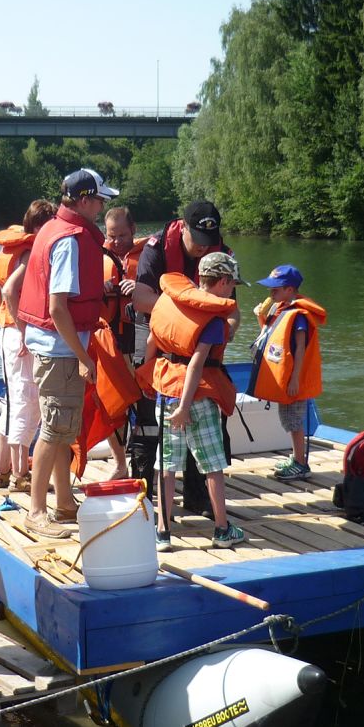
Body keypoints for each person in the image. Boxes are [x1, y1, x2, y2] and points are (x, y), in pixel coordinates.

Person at [15, 168, 117, 539]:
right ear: (85, 200)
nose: (102, 206)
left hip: (53, 348)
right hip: (59, 351)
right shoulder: (69, 240)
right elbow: (58, 308)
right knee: (54, 429)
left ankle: (64, 502)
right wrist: (84, 357)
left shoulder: (53, 228)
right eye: (100, 199)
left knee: (61, 428)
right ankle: (36, 511)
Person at [131, 200, 239, 515]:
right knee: (150, 423)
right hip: (161, 340)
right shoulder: (156, 248)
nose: (203, 248)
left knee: (208, 420)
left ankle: (197, 495)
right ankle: (143, 495)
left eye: (209, 241)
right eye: (198, 240)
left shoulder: (221, 257)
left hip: (202, 347)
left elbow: (233, 311)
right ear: (183, 227)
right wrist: (187, 315)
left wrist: (225, 330)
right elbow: (140, 298)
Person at [144, 252, 245, 552]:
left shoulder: (171, 302)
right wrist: (185, 407)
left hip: (166, 390)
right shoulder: (212, 318)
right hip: (195, 397)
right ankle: (222, 529)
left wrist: (148, 380)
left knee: (166, 464)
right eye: (232, 285)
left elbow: (151, 342)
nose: (232, 291)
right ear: (223, 281)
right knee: (212, 465)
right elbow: (196, 365)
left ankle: (163, 531)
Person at [0, 199, 56, 491]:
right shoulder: (29, 251)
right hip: (20, 335)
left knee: (15, 403)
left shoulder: (12, 249)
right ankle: (20, 475)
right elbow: (10, 289)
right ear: (41, 227)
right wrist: (23, 331)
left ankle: (0, 471)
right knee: (28, 404)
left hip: (8, 333)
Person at [248, 264, 326, 481]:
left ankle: (301, 463)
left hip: (294, 379)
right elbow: (269, 336)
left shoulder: (298, 316)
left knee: (294, 420)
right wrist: (259, 316)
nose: (270, 292)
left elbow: (300, 349)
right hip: (286, 378)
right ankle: (295, 457)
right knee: (287, 419)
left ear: (290, 290)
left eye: (276, 288)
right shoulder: (279, 309)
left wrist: (295, 379)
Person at [99, 205, 144, 480]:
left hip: (141, 340)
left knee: (143, 406)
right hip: (110, 341)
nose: (116, 241)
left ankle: (143, 461)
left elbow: (166, 291)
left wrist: (140, 288)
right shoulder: (98, 257)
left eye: (122, 235)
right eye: (111, 236)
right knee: (112, 406)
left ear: (133, 230)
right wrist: (99, 288)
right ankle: (119, 464)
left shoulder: (148, 256)